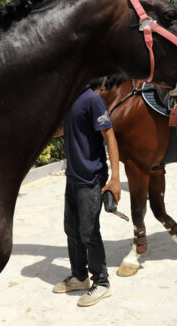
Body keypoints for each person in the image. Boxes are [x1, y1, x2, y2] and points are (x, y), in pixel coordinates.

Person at [52, 79, 122, 307]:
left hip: (91, 179)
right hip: (73, 178)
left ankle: (102, 283)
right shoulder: (70, 99)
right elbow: (62, 130)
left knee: (89, 232)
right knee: (71, 229)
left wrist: (115, 178)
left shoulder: (93, 100)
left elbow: (109, 136)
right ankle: (79, 276)